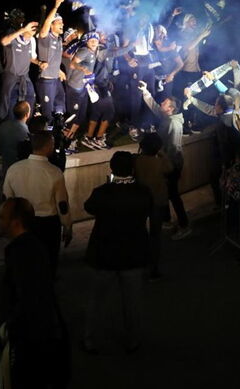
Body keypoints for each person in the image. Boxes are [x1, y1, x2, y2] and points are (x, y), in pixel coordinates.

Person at [0, 197, 70, 388]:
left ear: (15, 222)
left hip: (29, 342)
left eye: (2, 217)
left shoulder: (22, 253)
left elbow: (29, 298)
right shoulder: (32, 247)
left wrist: (9, 327)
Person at [83, 151, 152, 353]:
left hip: (105, 252)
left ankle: (90, 338)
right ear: (132, 169)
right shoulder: (142, 192)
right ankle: (133, 339)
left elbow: (89, 207)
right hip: (133, 252)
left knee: (96, 301)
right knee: (132, 303)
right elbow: (148, 208)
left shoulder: (102, 192)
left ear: (111, 168)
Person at [2, 131, 73, 276]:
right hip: (47, 224)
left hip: (22, 222)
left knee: (24, 264)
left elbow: (7, 198)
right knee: (48, 262)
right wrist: (67, 225)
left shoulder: (14, 169)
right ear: (48, 146)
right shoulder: (54, 172)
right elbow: (62, 204)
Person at [139, 80, 190, 238]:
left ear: (170, 109)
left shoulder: (174, 124)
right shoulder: (168, 116)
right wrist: (145, 91)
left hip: (171, 163)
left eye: (165, 103)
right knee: (165, 191)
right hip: (165, 161)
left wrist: (167, 164)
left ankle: (184, 225)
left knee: (173, 195)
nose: (161, 102)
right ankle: (167, 220)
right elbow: (155, 107)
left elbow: (174, 148)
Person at [135, 132, 174, 280]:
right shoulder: (159, 162)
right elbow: (170, 168)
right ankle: (153, 267)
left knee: (140, 231)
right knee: (155, 235)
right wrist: (162, 154)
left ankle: (141, 261)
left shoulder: (138, 161)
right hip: (158, 200)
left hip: (142, 200)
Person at [0, 13, 38, 120]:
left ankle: (24, 127)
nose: (33, 30)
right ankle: (9, 127)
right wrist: (23, 29)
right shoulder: (13, 36)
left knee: (30, 98)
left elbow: (31, 57)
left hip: (25, 77)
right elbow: (3, 41)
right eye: (31, 28)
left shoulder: (32, 41)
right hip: (11, 76)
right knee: (10, 104)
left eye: (35, 29)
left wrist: (39, 63)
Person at [35, 0, 67, 124]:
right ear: (51, 26)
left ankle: (58, 134)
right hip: (46, 81)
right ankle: (46, 139)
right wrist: (55, 7)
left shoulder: (59, 40)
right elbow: (45, 27)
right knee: (47, 113)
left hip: (56, 79)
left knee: (60, 107)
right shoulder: (45, 37)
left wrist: (59, 70)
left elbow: (54, 57)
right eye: (59, 22)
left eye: (62, 22)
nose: (62, 24)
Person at [0, 101, 32, 177]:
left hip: (6, 167)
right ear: (27, 114)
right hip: (20, 170)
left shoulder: (3, 126)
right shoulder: (25, 131)